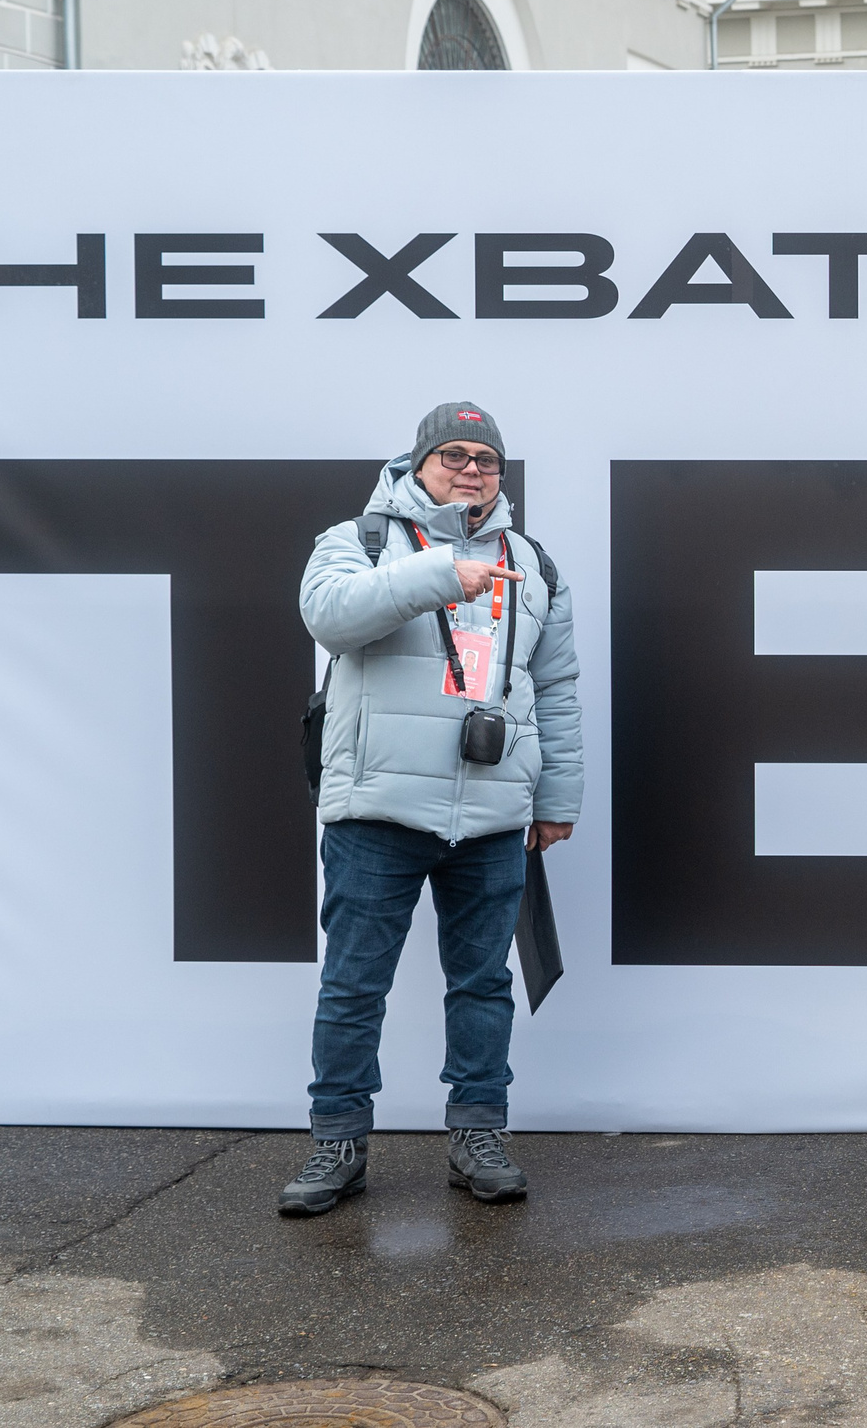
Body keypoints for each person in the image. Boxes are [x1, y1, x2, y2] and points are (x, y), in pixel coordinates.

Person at [277, 402, 581, 1217]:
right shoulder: (362, 539)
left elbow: (553, 688)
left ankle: (478, 1133)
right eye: (454, 453)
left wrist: (555, 797)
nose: (472, 469)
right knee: (352, 985)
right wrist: (443, 572)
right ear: (418, 462)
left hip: (490, 814)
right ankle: (336, 1140)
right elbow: (330, 615)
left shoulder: (534, 563)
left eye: (488, 458)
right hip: (376, 809)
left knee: (483, 984)